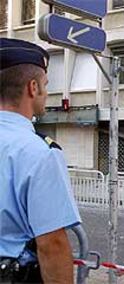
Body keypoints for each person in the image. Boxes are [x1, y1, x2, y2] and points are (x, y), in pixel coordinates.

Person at [0, 38, 81, 283]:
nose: (47, 93)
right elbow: (52, 245)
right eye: (46, 85)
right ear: (32, 88)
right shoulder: (39, 152)